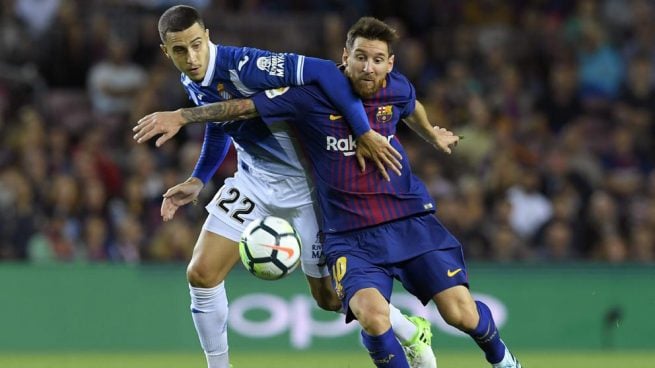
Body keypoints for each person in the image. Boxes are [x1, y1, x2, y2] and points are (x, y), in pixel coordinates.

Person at [137, 16, 523, 368]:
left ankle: (408, 329)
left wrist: (366, 131)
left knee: (330, 299)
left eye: (196, 45)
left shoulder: (245, 64)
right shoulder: (192, 77)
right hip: (254, 182)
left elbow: (325, 73)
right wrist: (199, 178)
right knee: (201, 273)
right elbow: (223, 121)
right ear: (165, 51)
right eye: (179, 50)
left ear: (208, 36)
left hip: (307, 190)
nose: (190, 56)